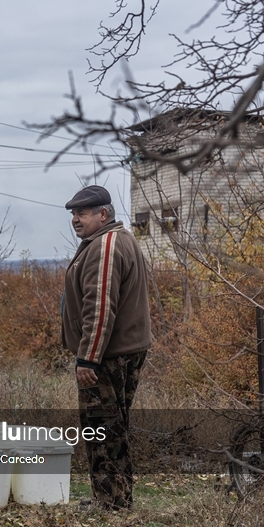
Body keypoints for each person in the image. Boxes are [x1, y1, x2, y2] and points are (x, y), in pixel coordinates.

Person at [61, 185, 152, 510]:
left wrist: (88, 359)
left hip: (108, 357)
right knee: (113, 427)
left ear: (104, 214)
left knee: (101, 428)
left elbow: (99, 308)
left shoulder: (105, 246)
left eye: (82, 213)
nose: (75, 219)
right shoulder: (115, 240)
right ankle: (116, 499)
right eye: (73, 213)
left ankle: (111, 504)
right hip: (123, 351)